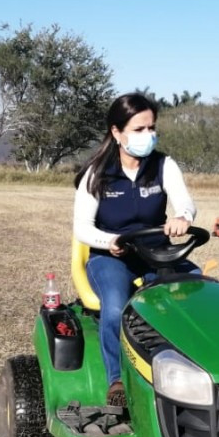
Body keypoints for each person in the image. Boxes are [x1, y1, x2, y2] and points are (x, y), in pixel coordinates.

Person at [73, 93, 197, 406]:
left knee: (201, 295)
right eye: (139, 130)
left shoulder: (163, 165)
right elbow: (82, 228)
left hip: (157, 253)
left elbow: (184, 201)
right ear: (117, 132)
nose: (148, 136)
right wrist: (109, 242)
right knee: (115, 308)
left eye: (151, 129)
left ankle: (196, 372)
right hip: (112, 257)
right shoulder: (97, 173)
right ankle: (116, 380)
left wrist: (183, 217)